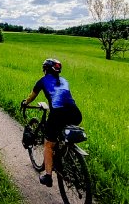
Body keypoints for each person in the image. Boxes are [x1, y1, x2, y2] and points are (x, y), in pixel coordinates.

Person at [21, 58, 82, 187]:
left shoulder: (42, 81)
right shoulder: (64, 80)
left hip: (58, 115)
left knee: (48, 144)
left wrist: (25, 103)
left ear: (46, 70)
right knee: (61, 133)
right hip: (75, 113)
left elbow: (32, 96)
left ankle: (48, 176)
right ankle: (66, 154)